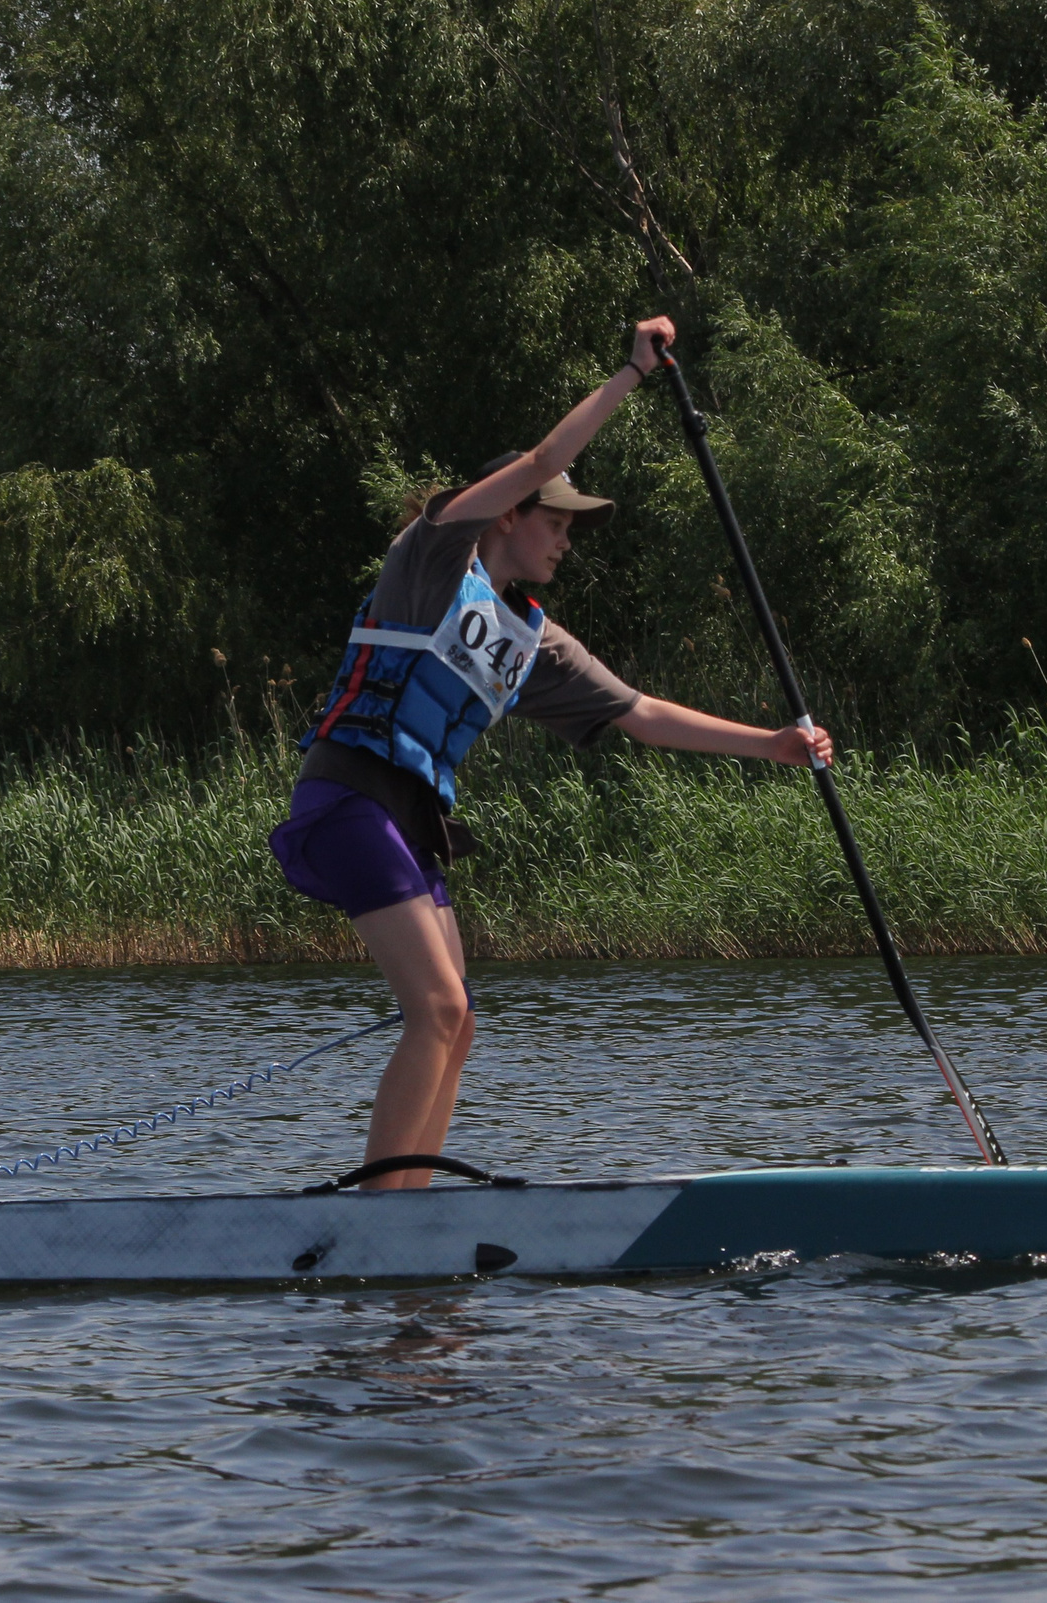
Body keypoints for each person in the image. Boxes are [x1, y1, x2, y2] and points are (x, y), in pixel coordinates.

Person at [269, 317, 834, 1189]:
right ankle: (375, 1216)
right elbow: (536, 462)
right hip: (347, 799)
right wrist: (630, 376)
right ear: (508, 516)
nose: (567, 538)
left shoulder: (533, 642)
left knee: (459, 1024)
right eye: (557, 521)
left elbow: (642, 712)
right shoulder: (429, 557)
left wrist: (774, 745)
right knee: (439, 1005)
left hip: (411, 824)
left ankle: (411, 1210)